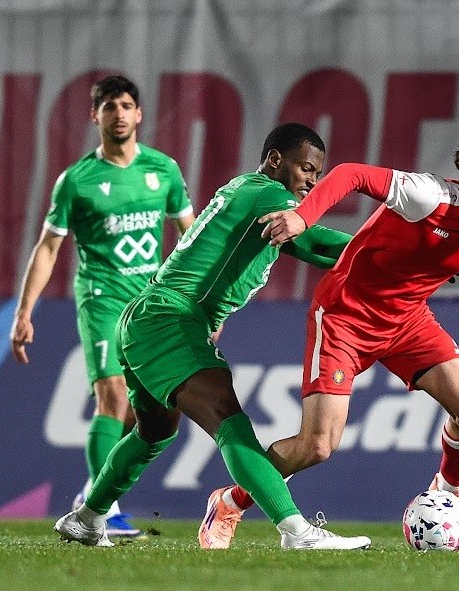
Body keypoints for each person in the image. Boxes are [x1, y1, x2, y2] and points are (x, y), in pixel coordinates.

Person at [199, 134, 459, 549]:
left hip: (407, 321)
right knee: (317, 446)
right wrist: (303, 217)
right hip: (345, 317)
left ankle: (449, 491)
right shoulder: (427, 196)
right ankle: (229, 502)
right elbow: (351, 174)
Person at [53, 122, 371, 550]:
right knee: (228, 419)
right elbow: (321, 242)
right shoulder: (269, 196)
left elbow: (309, 249)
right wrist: (399, 253)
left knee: (154, 432)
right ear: (275, 160)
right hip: (169, 319)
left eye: (317, 173)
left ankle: (87, 518)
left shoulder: (248, 191)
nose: (312, 182)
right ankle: (296, 530)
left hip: (151, 317)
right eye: (306, 169)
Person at [10, 75, 195, 539]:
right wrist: (24, 312)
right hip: (102, 298)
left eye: (126, 105)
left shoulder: (163, 170)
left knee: (142, 411)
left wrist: (197, 302)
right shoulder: (77, 181)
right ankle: (103, 508)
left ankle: (90, 495)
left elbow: (191, 238)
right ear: (95, 116)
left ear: (139, 114)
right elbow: (48, 248)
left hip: (149, 303)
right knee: (111, 395)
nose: (119, 114)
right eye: (109, 106)